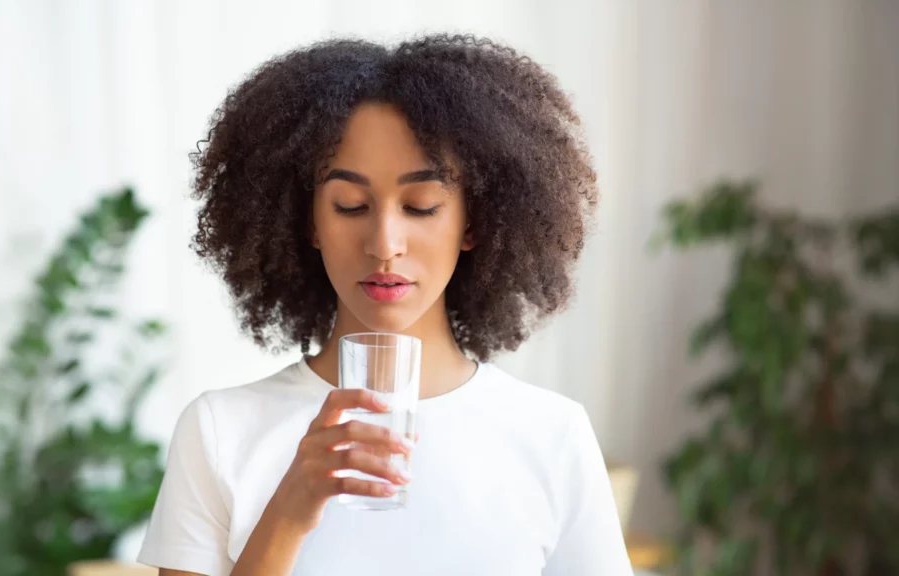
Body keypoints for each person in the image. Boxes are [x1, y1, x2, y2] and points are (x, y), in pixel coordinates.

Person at [137, 33, 633, 576]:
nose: (384, 243)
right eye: (350, 206)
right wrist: (289, 511)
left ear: (472, 222)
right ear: (309, 222)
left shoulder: (552, 435)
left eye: (421, 206)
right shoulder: (220, 431)